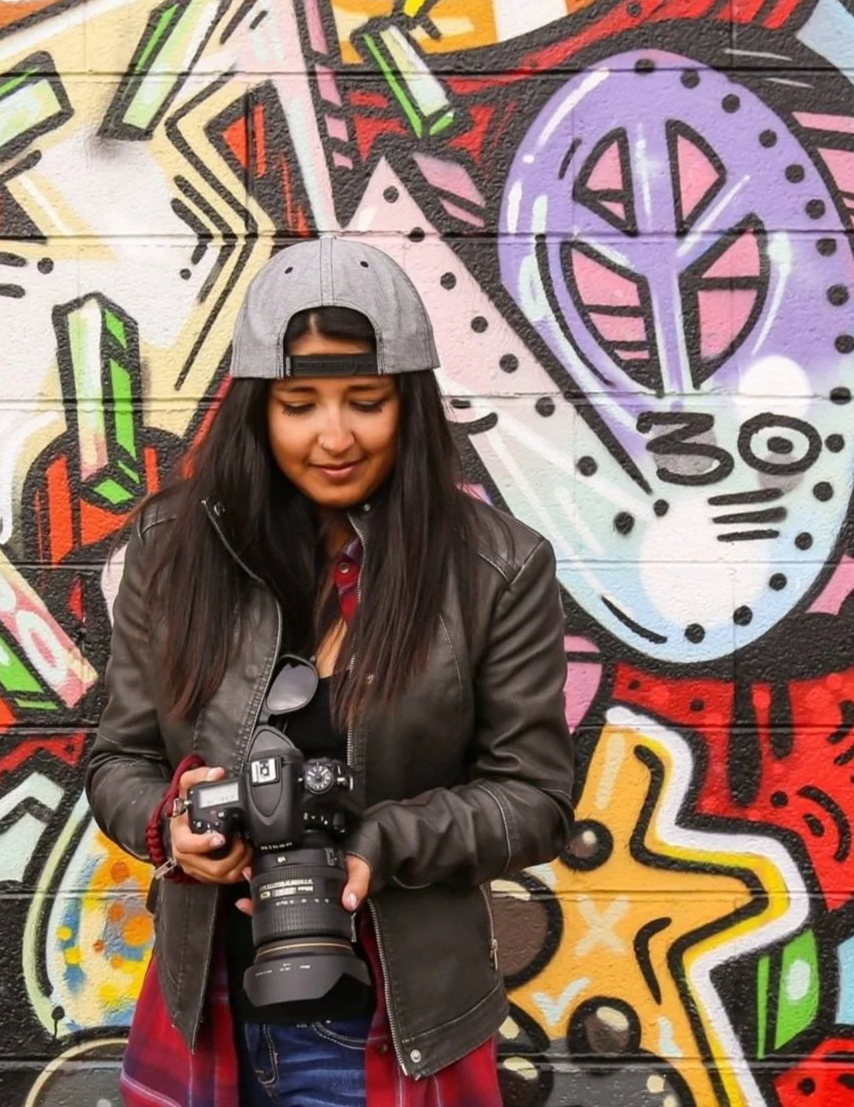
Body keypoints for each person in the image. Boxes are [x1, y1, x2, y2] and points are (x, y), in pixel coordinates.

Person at [86, 235, 576, 1105]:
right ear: (258, 412)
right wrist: (174, 828)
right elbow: (116, 760)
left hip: (395, 1027)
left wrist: (382, 843)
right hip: (207, 1012)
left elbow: (534, 798)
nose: (334, 435)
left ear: (410, 407)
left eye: (367, 400)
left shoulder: (497, 569)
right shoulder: (172, 551)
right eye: (300, 403)